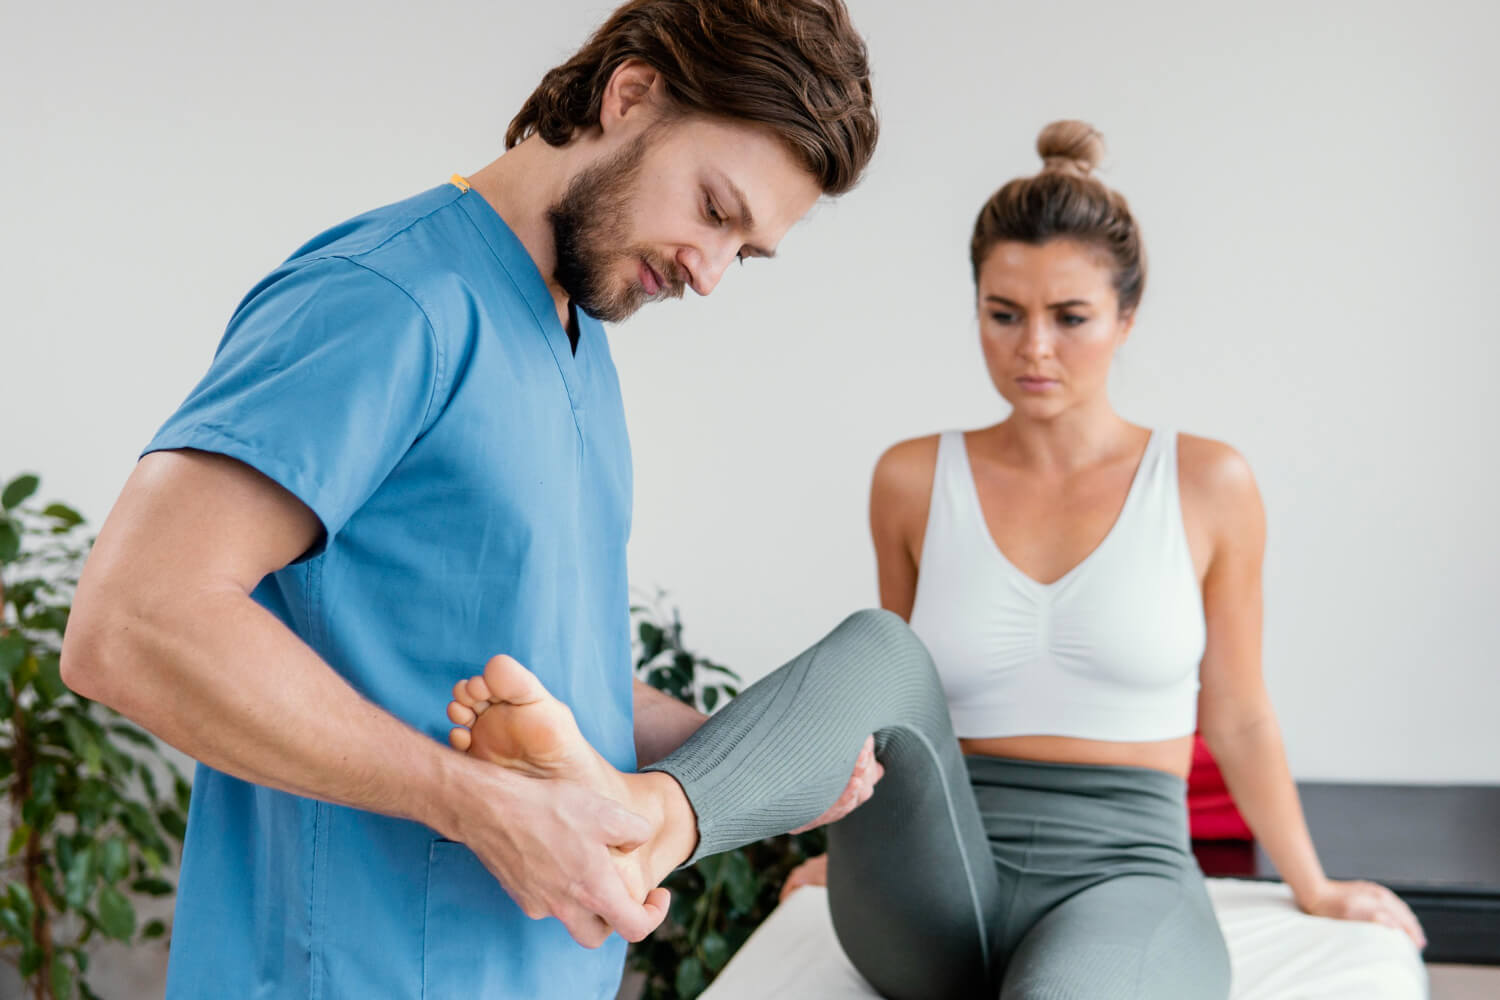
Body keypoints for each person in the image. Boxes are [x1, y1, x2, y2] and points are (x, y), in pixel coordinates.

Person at [441, 121, 1427, 1000]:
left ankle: (661, 812)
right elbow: (894, 704)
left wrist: (1315, 883)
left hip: (1125, 874)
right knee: (880, 641)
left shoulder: (1210, 483)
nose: (1032, 347)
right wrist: (846, 844)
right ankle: (656, 814)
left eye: (1068, 316)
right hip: (935, 880)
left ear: (1126, 317)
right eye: (1003, 313)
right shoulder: (914, 478)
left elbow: (1241, 711)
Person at [58, 2, 880, 997]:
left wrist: (737, 760)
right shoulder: (392, 297)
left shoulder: (577, 336)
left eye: (744, 251)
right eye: (714, 209)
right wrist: (477, 805)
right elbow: (133, 620)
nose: (710, 275)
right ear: (632, 95)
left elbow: (518, 654)